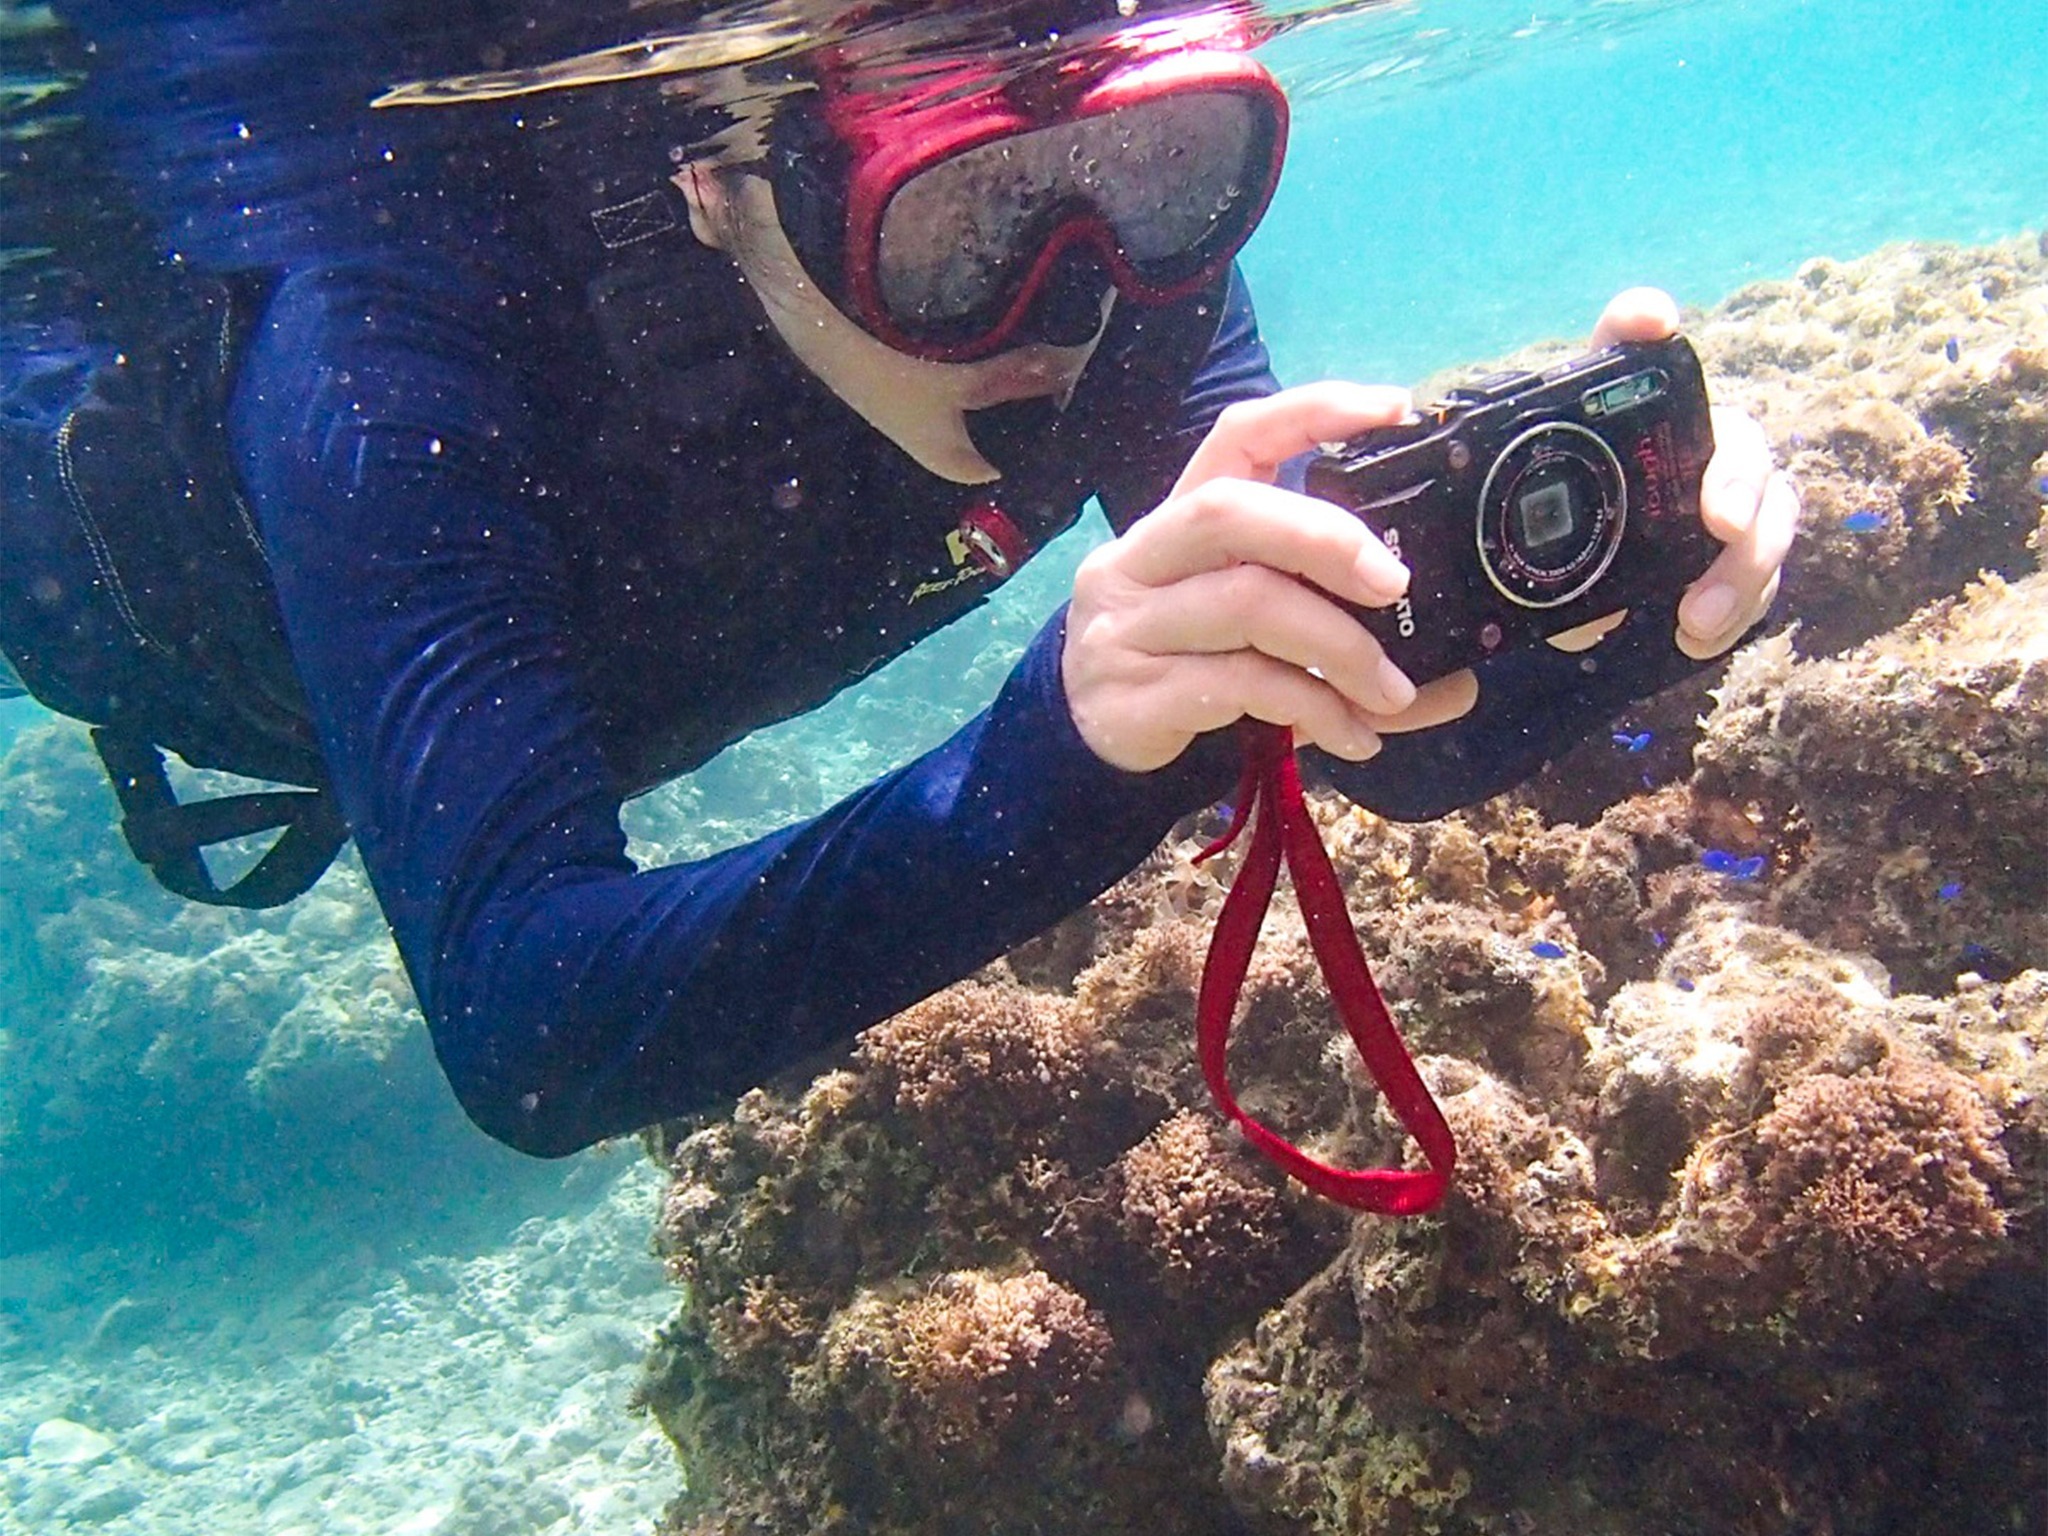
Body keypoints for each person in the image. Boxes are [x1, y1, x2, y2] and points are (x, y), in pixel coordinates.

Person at [0, 0, 1795, 1158]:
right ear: (719, 184)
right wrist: (1056, 759)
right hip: (116, 591)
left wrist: (1629, 605)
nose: (1079, 293)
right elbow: (531, 1019)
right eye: (966, 227)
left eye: (1162, 172)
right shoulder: (392, 360)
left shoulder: (1122, 283)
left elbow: (1369, 716)